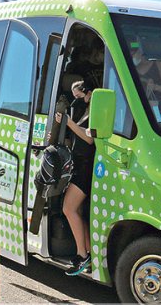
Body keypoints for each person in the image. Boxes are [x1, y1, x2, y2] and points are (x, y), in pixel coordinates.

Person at [53, 79, 96, 276]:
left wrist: (68, 122)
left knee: (68, 208)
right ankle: (88, 253)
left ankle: (82, 255)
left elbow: (89, 138)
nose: (78, 100)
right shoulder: (86, 109)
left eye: (80, 95)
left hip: (87, 167)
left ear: (89, 92)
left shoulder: (96, 111)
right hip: (79, 164)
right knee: (76, 210)